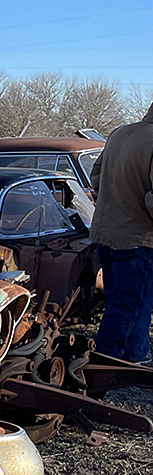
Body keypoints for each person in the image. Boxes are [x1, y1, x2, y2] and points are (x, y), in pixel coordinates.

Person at [91, 101, 153, 364]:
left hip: (106, 233)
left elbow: (94, 179)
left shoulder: (119, 133)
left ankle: (134, 356)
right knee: (131, 304)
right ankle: (109, 364)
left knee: (122, 302)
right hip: (139, 238)